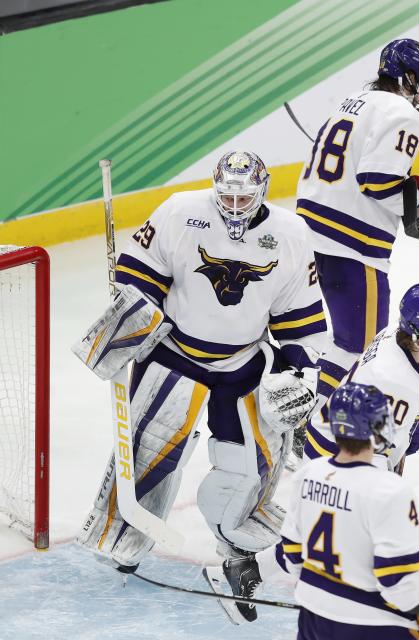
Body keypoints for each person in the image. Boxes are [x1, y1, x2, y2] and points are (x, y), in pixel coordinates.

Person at [73, 151, 325, 575]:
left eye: (244, 199)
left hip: (243, 361)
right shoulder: (180, 212)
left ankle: (238, 543)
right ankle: (126, 535)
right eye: (226, 197)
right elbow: (142, 272)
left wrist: (298, 369)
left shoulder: (290, 234)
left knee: (249, 465)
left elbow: (299, 317)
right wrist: (132, 306)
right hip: (174, 354)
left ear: (262, 192)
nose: (234, 207)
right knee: (148, 449)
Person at [212, 382, 419, 639]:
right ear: (377, 429)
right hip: (370, 626)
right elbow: (400, 583)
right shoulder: (389, 491)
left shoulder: (308, 475)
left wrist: (328, 601)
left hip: (313, 618)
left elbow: (292, 556)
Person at [291, 38, 419, 466]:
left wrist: (412, 197)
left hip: (309, 237)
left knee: (344, 345)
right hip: (352, 247)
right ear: (405, 77)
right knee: (366, 352)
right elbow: (378, 180)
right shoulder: (401, 112)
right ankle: (327, 447)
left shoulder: (353, 101)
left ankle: (316, 424)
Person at [302, 283, 419, 474]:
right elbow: (374, 454)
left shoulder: (400, 335)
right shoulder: (395, 381)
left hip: (339, 445)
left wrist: (409, 425)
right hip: (333, 466)